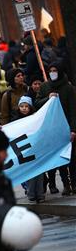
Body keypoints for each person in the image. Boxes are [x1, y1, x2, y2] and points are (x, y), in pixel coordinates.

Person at [35, 65, 76, 195]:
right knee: (60, 159)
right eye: (50, 71)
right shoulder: (45, 87)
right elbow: (37, 103)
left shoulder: (69, 88)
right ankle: (66, 185)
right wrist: (48, 98)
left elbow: (73, 110)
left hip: (67, 127)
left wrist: (73, 129)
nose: (52, 73)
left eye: (55, 71)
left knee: (72, 159)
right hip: (52, 129)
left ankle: (74, 184)